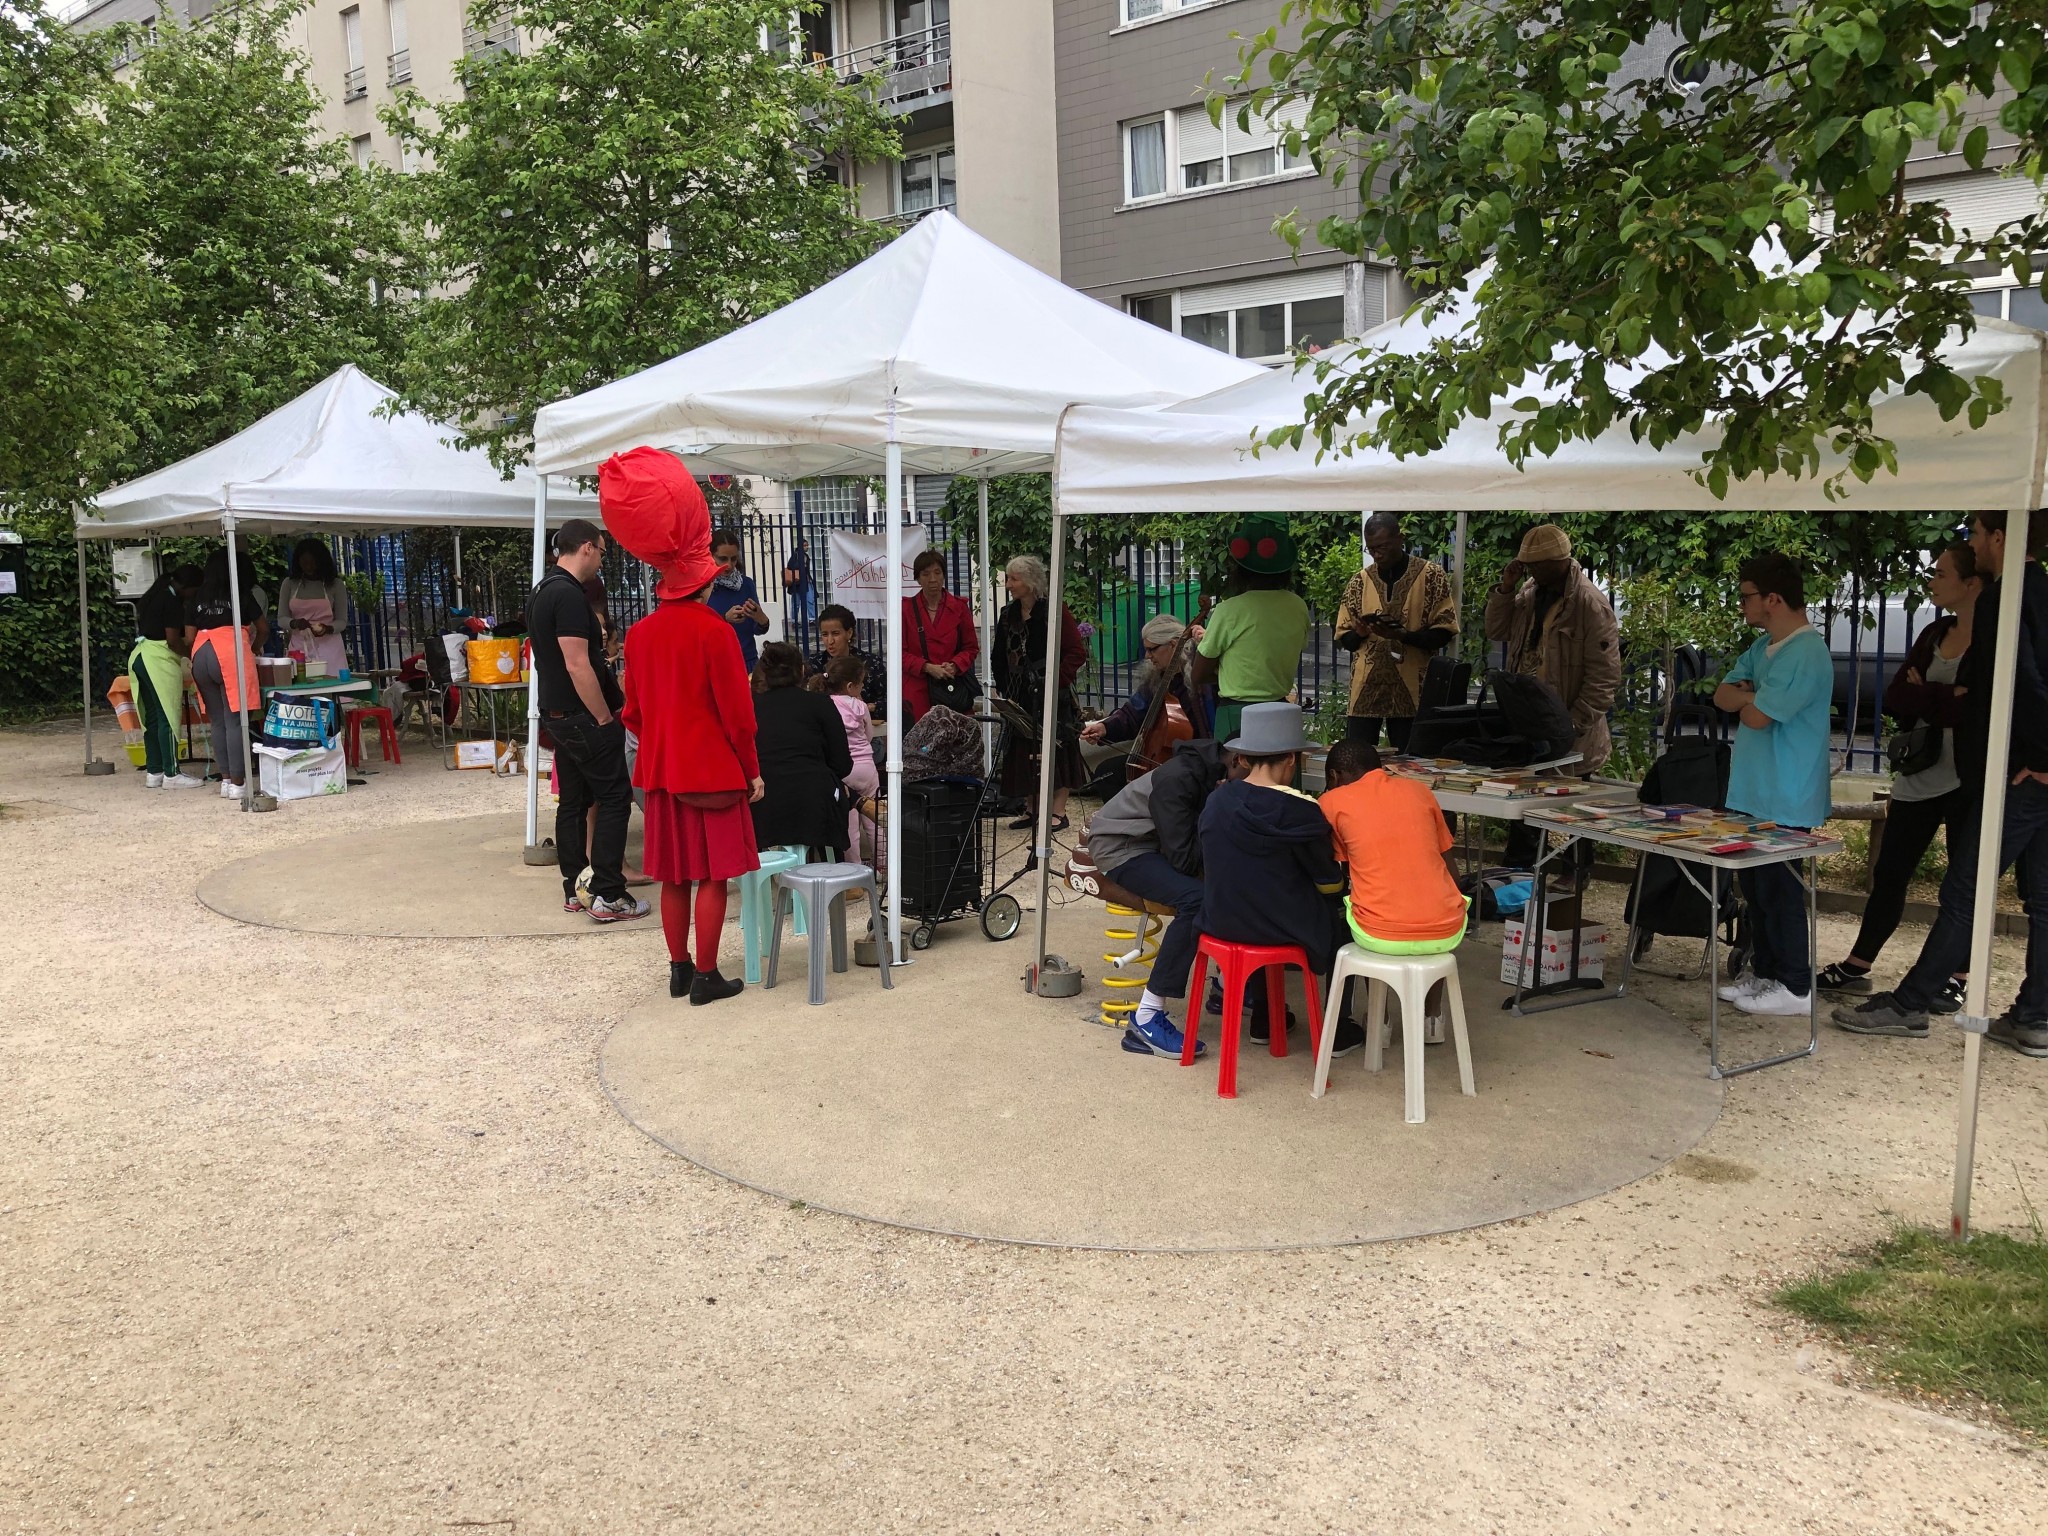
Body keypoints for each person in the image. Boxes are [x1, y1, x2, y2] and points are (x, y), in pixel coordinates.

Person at [1836, 512, 2048, 1058]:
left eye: (1976, 534)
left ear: (2001, 538)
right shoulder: (2037, 591)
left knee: (1965, 891)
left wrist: (2041, 757)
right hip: (2029, 771)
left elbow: (2019, 685)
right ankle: (2034, 1016)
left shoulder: (2008, 597)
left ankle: (1910, 1004)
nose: (1972, 543)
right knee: (2041, 899)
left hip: (2021, 772)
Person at [608, 447, 763, 1005]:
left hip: (660, 767)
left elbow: (633, 713)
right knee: (713, 876)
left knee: (674, 874)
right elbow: (737, 716)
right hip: (712, 768)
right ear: (704, 583)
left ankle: (678, 971)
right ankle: (705, 975)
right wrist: (751, 770)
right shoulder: (717, 632)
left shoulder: (640, 635)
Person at [1818, 544, 1982, 1013]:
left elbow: (1981, 706)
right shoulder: (1934, 632)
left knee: (1961, 883)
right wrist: (1946, 697)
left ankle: (1957, 976)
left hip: (1968, 779)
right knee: (1890, 873)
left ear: (1971, 584)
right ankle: (1856, 965)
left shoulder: (1992, 638)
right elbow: (1895, 698)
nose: (1932, 580)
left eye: (1942, 573)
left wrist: (1927, 695)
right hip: (1921, 774)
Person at [1707, 554, 1834, 1018]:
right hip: (1754, 793)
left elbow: (1757, 716)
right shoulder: (1764, 648)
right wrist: (1748, 697)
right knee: (1756, 889)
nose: (1741, 604)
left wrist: (1747, 697)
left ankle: (1796, 985)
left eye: (1746, 596)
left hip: (1788, 793)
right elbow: (1722, 696)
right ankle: (1765, 972)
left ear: (1773, 599)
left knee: (1781, 890)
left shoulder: (1806, 652)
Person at [1197, 702, 1349, 1048]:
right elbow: (1328, 881)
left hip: (1220, 920)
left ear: (1245, 758)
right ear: (1293, 758)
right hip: (1279, 925)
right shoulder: (1304, 811)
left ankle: (1266, 1017)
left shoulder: (1218, 800)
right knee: (1341, 919)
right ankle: (1338, 1032)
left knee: (1264, 897)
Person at [1083, 735, 1237, 1059]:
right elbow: (1183, 857)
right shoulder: (1178, 778)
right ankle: (1147, 1016)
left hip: (1150, 843)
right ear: (1240, 760)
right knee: (1196, 899)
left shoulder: (1210, 774)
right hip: (1120, 847)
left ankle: (1226, 987)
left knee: (1231, 884)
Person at [530, 518, 647, 925]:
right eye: (601, 549)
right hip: (581, 716)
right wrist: (603, 717)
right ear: (585, 548)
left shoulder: (544, 589)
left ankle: (575, 887)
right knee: (615, 797)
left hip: (558, 714)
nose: (601, 558)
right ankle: (609, 893)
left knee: (574, 803)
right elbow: (578, 664)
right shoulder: (567, 595)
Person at [1320, 738, 1468, 1041]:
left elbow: (1338, 874)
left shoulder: (1331, 802)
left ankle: (1380, 1022)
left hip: (1379, 933)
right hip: (1447, 930)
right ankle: (1432, 1020)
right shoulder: (1420, 790)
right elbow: (1450, 870)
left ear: (1334, 776)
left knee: (1359, 908)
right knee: (1433, 902)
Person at [1484, 523, 1621, 773]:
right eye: (1528, 564)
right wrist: (1505, 589)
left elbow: (1604, 678)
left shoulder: (1589, 605)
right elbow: (1497, 631)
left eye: (1537, 564)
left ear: (1560, 561)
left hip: (1571, 743)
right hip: (1531, 729)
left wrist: (1570, 726)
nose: (1531, 569)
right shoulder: (1531, 591)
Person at [1335, 513, 1458, 750]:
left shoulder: (1431, 576)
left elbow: (1445, 632)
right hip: (1366, 690)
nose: (1377, 554)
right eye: (1371, 549)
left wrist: (1403, 636)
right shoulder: (1359, 582)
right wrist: (1360, 631)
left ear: (1400, 539)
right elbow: (1345, 640)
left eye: (1382, 546)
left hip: (1413, 690)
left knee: (1411, 761)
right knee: (1359, 760)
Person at [1193, 516, 1312, 747]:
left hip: (1237, 715)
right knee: (1279, 782)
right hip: (1280, 710)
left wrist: (1230, 675)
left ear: (1239, 568)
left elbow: (1198, 675)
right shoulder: (1298, 606)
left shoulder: (1229, 610)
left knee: (1239, 780)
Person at [993, 554, 1087, 834]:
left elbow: (1075, 652)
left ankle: (1057, 812)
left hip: (1051, 692)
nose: (1008, 584)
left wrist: (1055, 682)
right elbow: (999, 653)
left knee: (1057, 749)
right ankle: (1032, 809)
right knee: (1023, 750)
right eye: (1008, 578)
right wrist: (1002, 682)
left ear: (1031, 582)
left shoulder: (1054, 612)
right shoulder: (1008, 614)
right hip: (1019, 692)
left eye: (1014, 578)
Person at [751, 642, 855, 858]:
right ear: (801, 670)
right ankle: (830, 880)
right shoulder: (821, 704)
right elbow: (842, 764)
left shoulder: (751, 706)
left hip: (763, 807)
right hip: (815, 806)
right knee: (831, 790)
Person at [186, 550, 265, 802]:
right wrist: (250, 650)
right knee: (235, 720)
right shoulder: (240, 594)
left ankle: (227, 780)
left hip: (201, 651)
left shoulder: (197, 595)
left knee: (218, 721)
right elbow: (263, 628)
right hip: (229, 650)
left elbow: (188, 636)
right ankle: (240, 783)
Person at [1081, 614, 1210, 751]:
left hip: (1195, 754)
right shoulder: (1156, 677)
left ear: (1173, 645)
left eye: (1151, 649)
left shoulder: (1200, 675)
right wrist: (1105, 728)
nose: (1147, 656)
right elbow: (1134, 713)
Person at [128, 564, 205, 790]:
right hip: (158, 660)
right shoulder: (172, 602)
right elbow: (172, 639)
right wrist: (190, 654)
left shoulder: (154, 595)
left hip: (140, 656)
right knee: (168, 716)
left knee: (151, 718)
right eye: (195, 590)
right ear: (187, 587)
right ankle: (172, 773)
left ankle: (155, 771)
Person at [819, 656, 883, 869]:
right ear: (850, 686)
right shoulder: (861, 706)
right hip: (867, 767)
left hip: (843, 770)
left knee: (850, 825)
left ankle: (853, 867)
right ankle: (883, 865)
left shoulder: (825, 705)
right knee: (875, 819)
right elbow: (869, 735)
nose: (863, 687)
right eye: (861, 683)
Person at [903, 549, 979, 721]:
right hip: (918, 690)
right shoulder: (905, 609)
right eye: (926, 574)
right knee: (922, 744)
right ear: (917, 578)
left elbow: (971, 648)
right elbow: (899, 653)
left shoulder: (959, 608)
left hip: (951, 686)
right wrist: (927, 667)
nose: (932, 579)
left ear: (944, 575)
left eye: (937, 572)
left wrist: (955, 665)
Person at [276, 538, 350, 678]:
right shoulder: (289, 584)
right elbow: (281, 618)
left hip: (331, 648)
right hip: (299, 649)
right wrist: (295, 623)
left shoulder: (335, 584)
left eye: (313, 563)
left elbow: (342, 621)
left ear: (321, 562)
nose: (308, 567)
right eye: (304, 562)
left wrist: (327, 628)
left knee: (332, 689)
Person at [808, 603, 887, 720]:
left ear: (849, 633)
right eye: (825, 634)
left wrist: (868, 707)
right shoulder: (815, 664)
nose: (830, 641)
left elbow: (889, 701)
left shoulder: (871, 663)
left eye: (835, 633)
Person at [707, 529, 770, 672]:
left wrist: (762, 620)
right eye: (722, 559)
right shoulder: (704, 587)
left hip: (747, 661)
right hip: (717, 663)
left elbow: (757, 629)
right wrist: (724, 619)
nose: (729, 565)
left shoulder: (746, 584)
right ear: (710, 556)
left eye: (734, 559)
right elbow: (697, 630)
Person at [783, 535, 816, 647]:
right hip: (797, 583)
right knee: (796, 603)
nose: (807, 547)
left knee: (810, 599)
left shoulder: (804, 555)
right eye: (805, 545)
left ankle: (811, 619)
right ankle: (794, 621)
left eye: (807, 545)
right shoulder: (796, 556)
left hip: (806, 582)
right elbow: (791, 566)